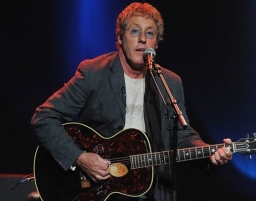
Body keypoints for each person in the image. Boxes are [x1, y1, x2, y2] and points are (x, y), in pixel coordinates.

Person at [30, 2, 233, 201]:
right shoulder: (93, 73)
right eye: (135, 32)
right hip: (99, 189)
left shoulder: (169, 82)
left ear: (156, 43)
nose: (143, 39)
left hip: (150, 190)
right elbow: (44, 117)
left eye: (150, 33)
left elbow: (182, 135)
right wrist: (80, 158)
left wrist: (209, 153)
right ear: (119, 37)